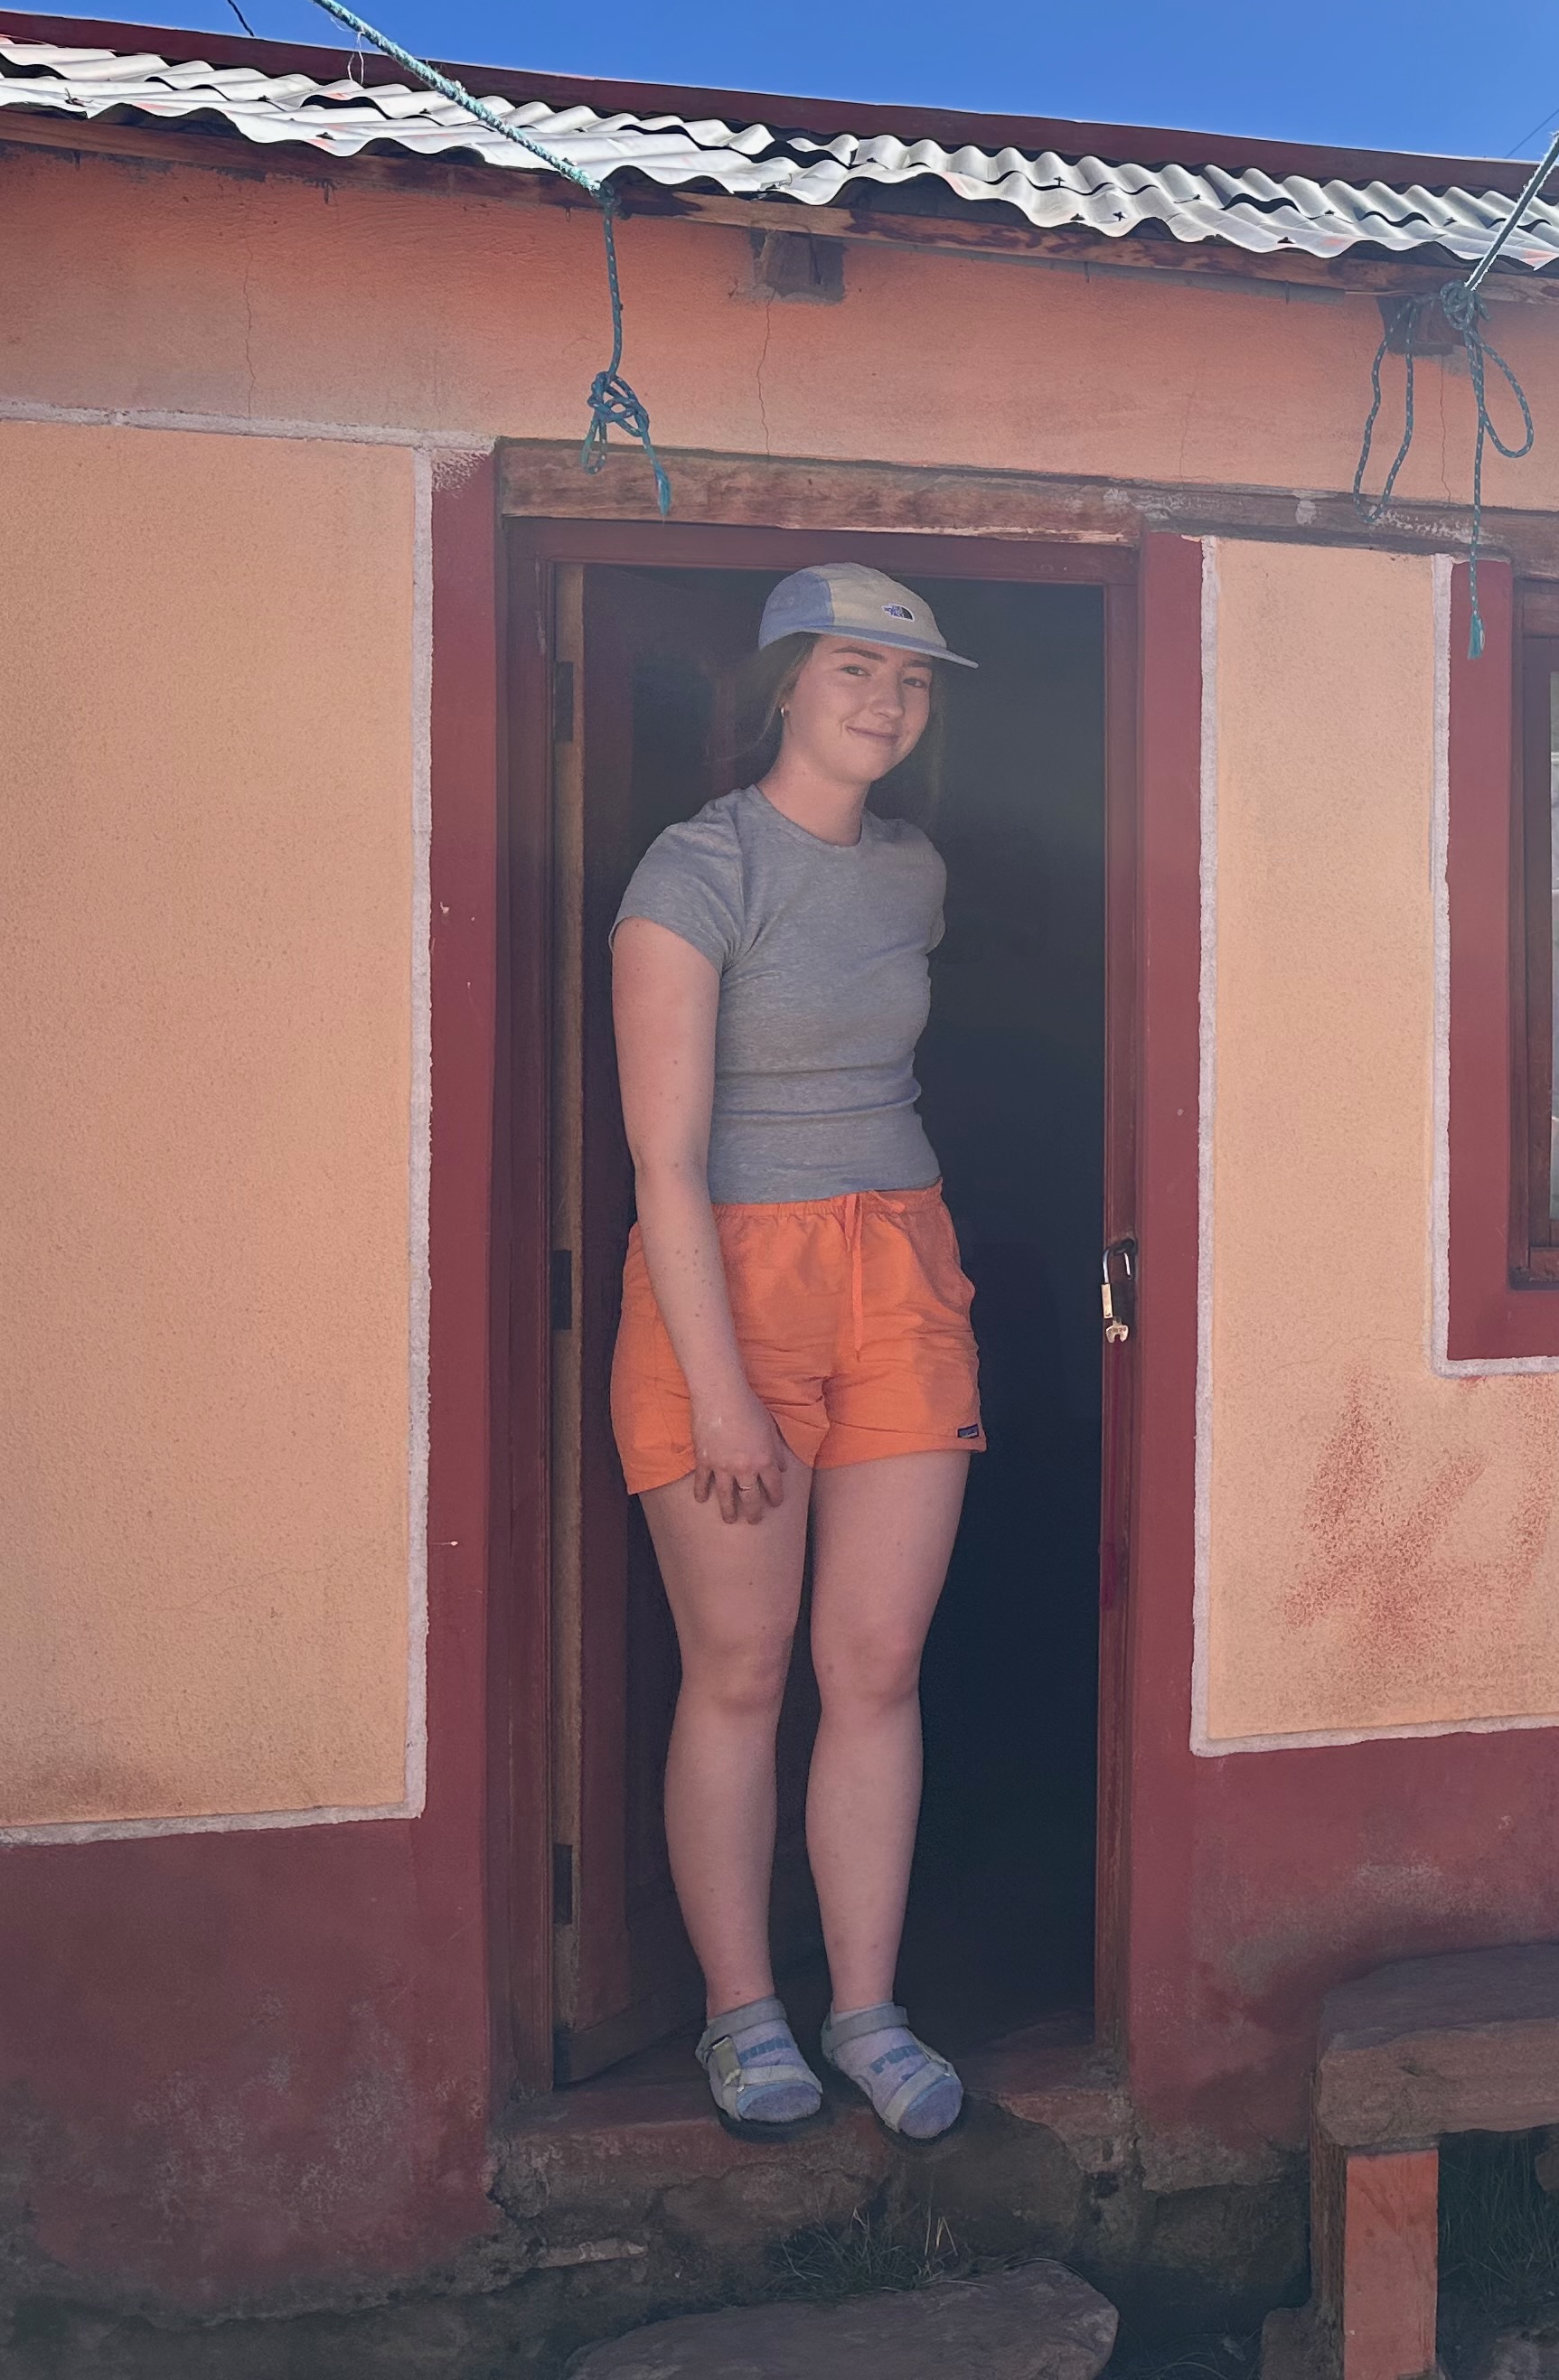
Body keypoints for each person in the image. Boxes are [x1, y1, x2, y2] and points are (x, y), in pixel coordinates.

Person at [609, 562, 986, 2142]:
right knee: (744, 1670)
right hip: (729, 1285)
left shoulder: (913, 873)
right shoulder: (696, 870)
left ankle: (866, 2013)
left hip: (897, 1266)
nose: (886, 702)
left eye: (911, 679)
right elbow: (665, 1161)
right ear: (783, 687)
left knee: (878, 1663)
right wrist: (719, 1391)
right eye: (852, 670)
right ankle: (741, 2013)